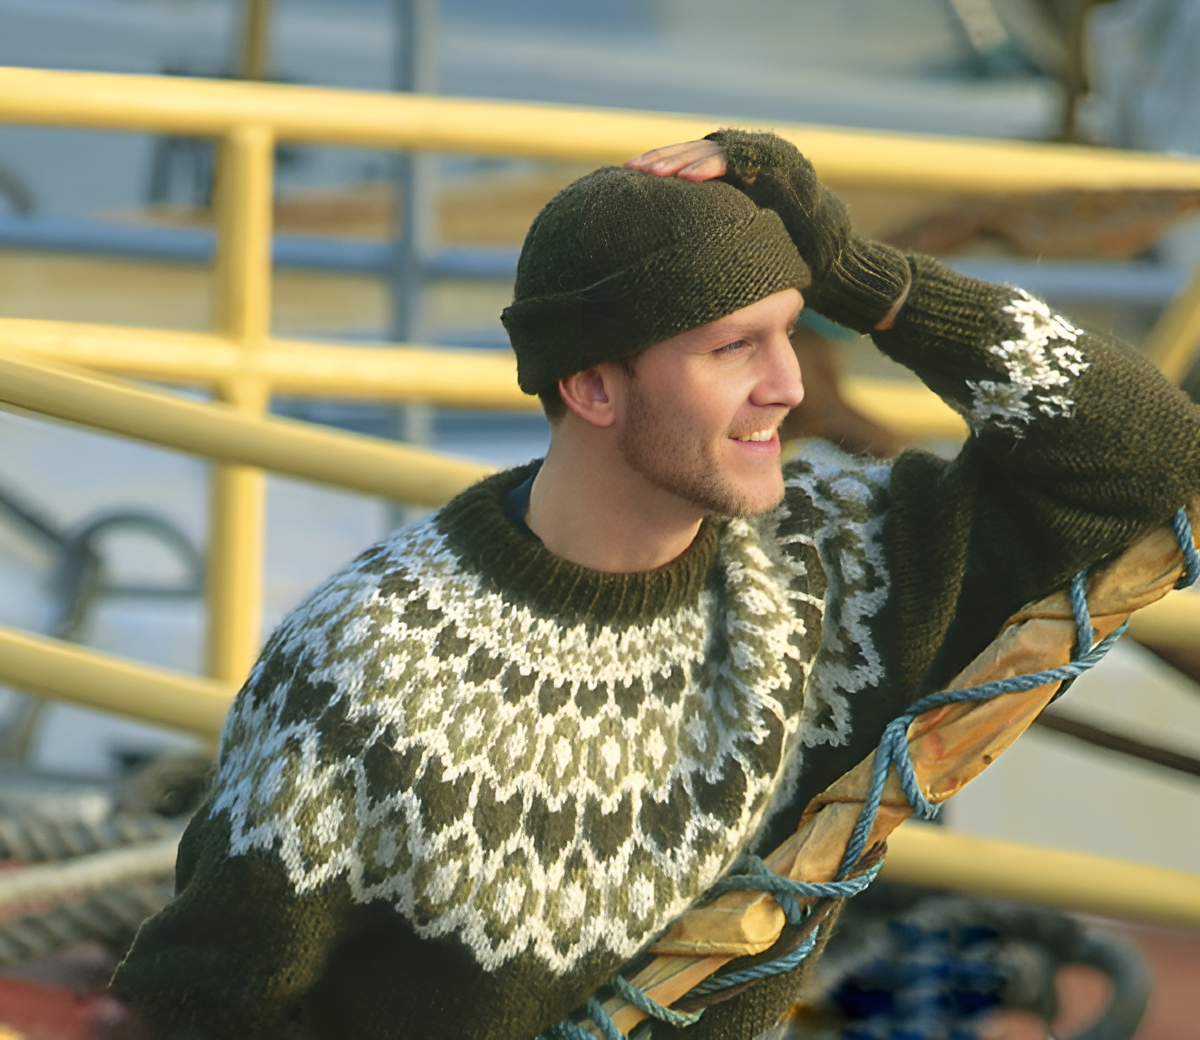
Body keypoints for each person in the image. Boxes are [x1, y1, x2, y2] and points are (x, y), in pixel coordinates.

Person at [112, 130, 1200, 1039]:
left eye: (791, 330)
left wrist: (875, 282)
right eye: (735, 347)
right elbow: (199, 1003)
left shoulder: (834, 573)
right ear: (592, 384)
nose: (787, 384)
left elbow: (1152, 457)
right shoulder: (365, 667)